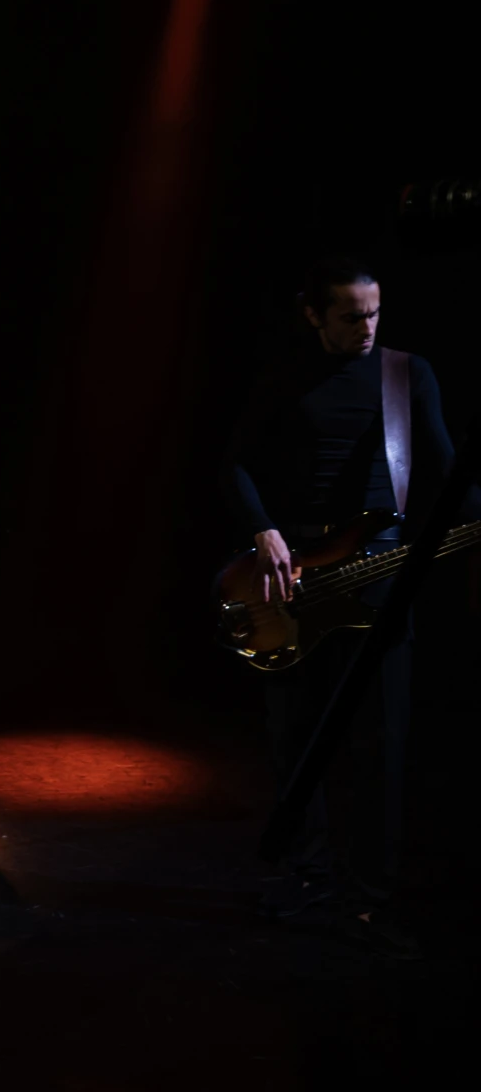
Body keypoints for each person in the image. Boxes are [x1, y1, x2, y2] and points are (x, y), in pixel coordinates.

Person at [221, 254, 473, 936]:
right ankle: (309, 873)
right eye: (350, 316)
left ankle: (371, 891)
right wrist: (263, 530)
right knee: (294, 736)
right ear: (314, 315)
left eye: (374, 313)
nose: (366, 327)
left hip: (378, 575)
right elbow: (235, 463)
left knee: (380, 738)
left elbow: (447, 470)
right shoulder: (284, 375)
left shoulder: (406, 373)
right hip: (295, 577)